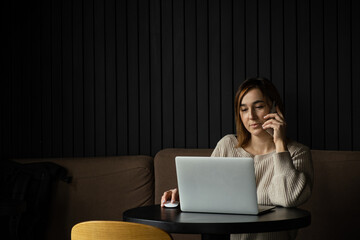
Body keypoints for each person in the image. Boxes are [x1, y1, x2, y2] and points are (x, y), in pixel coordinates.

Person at [161, 77, 314, 240]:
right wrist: (183, 194)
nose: (251, 116)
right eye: (244, 109)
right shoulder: (228, 145)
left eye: (259, 107)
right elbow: (207, 191)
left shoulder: (298, 153)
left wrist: (280, 145)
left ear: (275, 108)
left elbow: (287, 198)